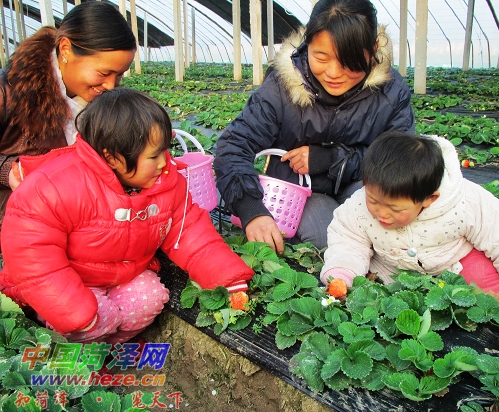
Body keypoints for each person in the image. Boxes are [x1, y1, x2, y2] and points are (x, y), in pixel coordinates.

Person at [0, 88, 254, 343]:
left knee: (150, 299)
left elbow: (191, 234)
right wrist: (74, 312)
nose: (164, 163)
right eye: (154, 156)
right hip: (73, 282)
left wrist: (229, 280)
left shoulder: (166, 183)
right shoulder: (56, 186)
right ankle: (78, 349)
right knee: (96, 318)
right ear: (113, 158)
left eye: (165, 151)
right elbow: (31, 253)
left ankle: (110, 347)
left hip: (121, 275)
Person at [213, 0, 415, 254]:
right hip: (298, 190)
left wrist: (330, 159)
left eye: (348, 61)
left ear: (373, 49)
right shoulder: (281, 87)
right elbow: (233, 146)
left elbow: (399, 159)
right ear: (307, 43)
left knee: (383, 228)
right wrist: (252, 210)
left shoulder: (391, 90)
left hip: (360, 182)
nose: (333, 72)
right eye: (321, 57)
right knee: (324, 237)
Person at [320, 132, 499, 322]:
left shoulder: (464, 202)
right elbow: (348, 241)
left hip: (454, 262)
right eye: (373, 200)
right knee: (376, 303)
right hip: (393, 268)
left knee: (488, 286)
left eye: (394, 208)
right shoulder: (358, 207)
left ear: (429, 199)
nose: (381, 213)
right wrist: (342, 274)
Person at [0, 1, 137, 246]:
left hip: (84, 218)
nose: (110, 85)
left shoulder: (103, 97)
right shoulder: (7, 93)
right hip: (26, 223)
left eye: (119, 75)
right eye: (104, 73)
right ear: (65, 50)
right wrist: (9, 169)